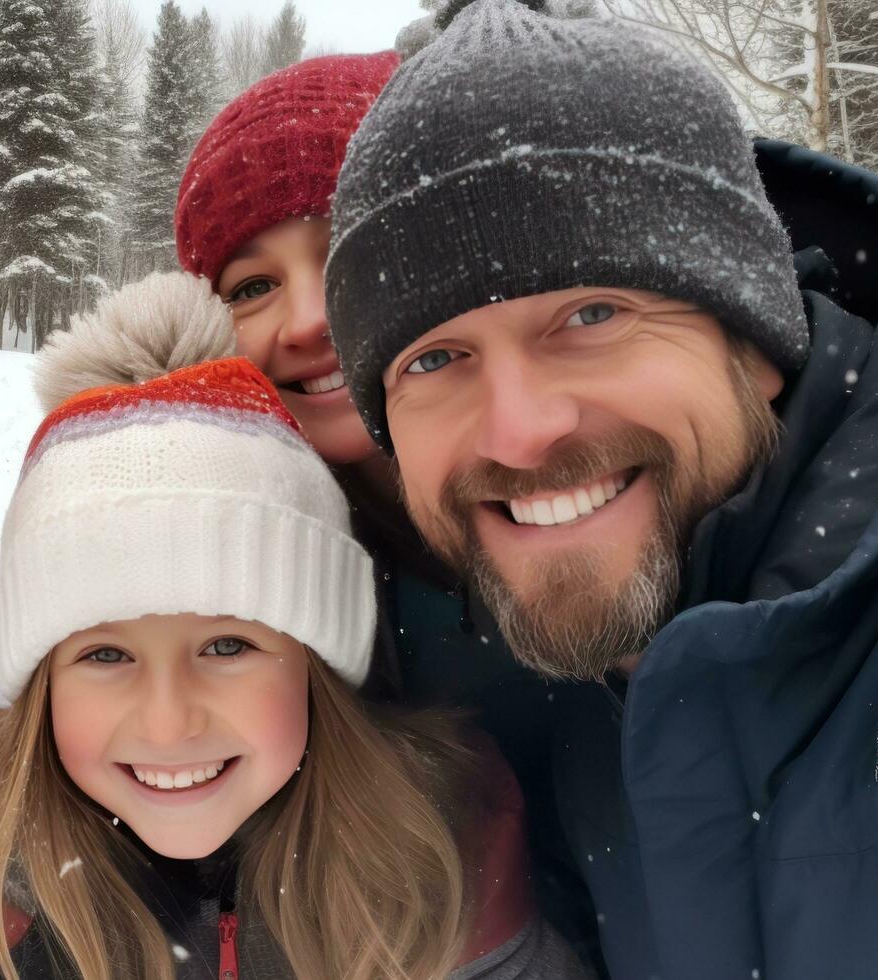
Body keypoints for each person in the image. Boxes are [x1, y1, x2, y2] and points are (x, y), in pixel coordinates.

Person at [324, 1, 878, 978]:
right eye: (435, 358)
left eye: (592, 312)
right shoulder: (576, 703)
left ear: (758, 340)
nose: (519, 428)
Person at [0, 273, 584, 980]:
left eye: (226, 646)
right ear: (40, 681)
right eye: (104, 654)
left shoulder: (442, 857)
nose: (167, 721)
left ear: (315, 662)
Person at [167, 50, 591, 954]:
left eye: (348, 251)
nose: (308, 318)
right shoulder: (215, 561)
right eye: (251, 287)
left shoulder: (596, 468)